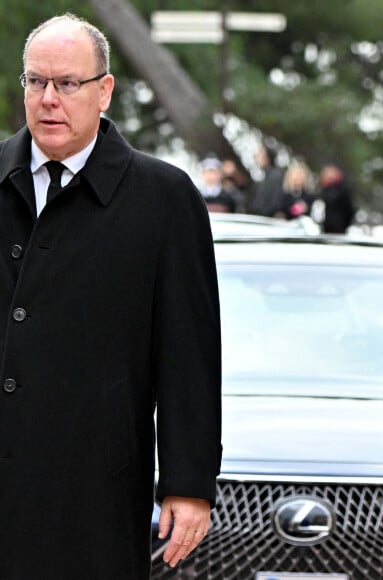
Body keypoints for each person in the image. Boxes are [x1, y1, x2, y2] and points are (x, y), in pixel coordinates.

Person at [0, 13, 221, 579]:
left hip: (93, 491)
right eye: (35, 82)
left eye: (67, 84)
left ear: (104, 91)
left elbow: (189, 356)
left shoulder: (164, 198)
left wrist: (188, 485)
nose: (49, 99)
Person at [317, 163, 355, 233]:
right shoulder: (324, 190)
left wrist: (345, 225)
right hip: (325, 228)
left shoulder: (343, 190)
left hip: (339, 228)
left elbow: (350, 209)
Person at [250, 144, 285, 217]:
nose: (257, 158)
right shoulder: (265, 177)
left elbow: (275, 203)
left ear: (267, 157)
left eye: (260, 155)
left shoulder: (275, 176)